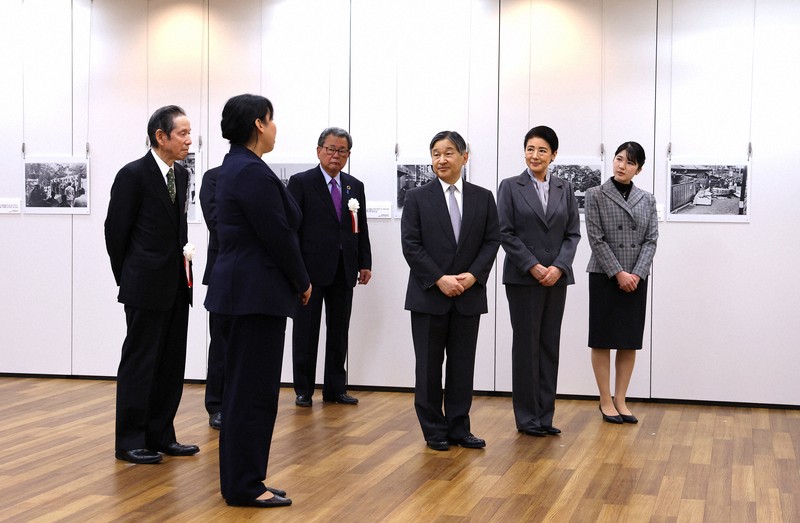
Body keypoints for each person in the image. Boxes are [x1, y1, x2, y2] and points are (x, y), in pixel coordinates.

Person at [204, 94, 311, 508]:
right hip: (254, 295)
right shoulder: (249, 171)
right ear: (258, 125)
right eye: (272, 119)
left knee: (246, 392)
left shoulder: (240, 167)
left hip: (244, 294)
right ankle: (245, 485)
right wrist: (301, 280)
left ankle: (246, 478)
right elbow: (277, 234)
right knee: (251, 394)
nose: (276, 126)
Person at [104, 105, 197, 465]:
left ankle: (161, 434)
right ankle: (129, 440)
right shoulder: (133, 175)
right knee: (140, 363)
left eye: (190, 134)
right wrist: (128, 278)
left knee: (171, 363)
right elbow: (116, 234)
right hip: (144, 286)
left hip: (177, 284)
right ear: (161, 137)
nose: (189, 140)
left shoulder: (183, 175)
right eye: (182, 134)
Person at [401, 130, 500, 451]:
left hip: (469, 295)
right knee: (428, 368)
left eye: (448, 153)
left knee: (462, 365)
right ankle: (433, 429)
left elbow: (492, 241)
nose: (440, 160)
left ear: (464, 157)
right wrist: (439, 278)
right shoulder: (417, 198)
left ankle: (459, 427)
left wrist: (473, 275)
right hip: (429, 295)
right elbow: (411, 246)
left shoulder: (483, 197)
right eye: (435, 154)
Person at [497, 126, 581, 437]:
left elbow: (573, 233)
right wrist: (532, 266)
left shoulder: (565, 188)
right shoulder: (509, 186)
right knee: (526, 347)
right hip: (522, 279)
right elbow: (504, 231)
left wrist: (558, 267)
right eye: (530, 149)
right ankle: (527, 418)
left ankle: (545, 416)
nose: (535, 155)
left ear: (554, 155)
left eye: (542, 150)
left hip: (556, 279)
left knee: (549, 346)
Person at [287, 127, 372, 407]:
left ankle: (335, 388)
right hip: (310, 271)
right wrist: (296, 271)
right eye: (331, 149)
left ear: (348, 154)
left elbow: (361, 229)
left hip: (344, 269)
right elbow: (292, 230)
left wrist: (364, 262)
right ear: (319, 150)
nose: (336, 155)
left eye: (342, 150)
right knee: (306, 331)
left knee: (339, 331)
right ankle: (303, 389)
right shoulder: (301, 182)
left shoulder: (353, 186)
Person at [585, 141, 658, 424]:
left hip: (636, 278)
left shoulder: (647, 199)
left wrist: (636, 274)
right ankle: (605, 400)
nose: (621, 165)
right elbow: (596, 238)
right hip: (605, 275)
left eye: (629, 162)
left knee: (628, 342)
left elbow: (651, 240)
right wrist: (618, 273)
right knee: (602, 340)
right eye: (618, 159)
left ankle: (621, 399)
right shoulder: (595, 194)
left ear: (638, 168)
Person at [199, 165, 223, 430]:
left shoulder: (264, 175)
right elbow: (216, 223)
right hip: (223, 270)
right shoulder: (214, 177)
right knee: (221, 342)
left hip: (257, 273)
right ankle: (216, 405)